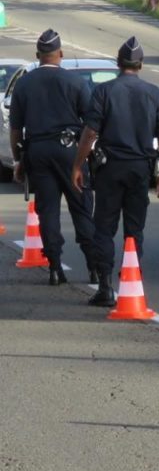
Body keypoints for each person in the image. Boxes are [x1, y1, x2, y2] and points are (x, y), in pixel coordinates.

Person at [71, 37, 159, 307]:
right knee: (134, 230)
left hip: (110, 169)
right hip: (141, 169)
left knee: (104, 227)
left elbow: (90, 133)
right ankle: (131, 283)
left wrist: (78, 165)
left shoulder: (104, 92)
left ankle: (105, 287)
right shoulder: (154, 93)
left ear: (118, 63)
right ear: (141, 64)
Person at [8, 29, 97, 286]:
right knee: (81, 208)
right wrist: (86, 157)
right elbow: (91, 124)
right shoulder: (75, 82)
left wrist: (18, 160)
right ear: (61, 54)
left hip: (38, 152)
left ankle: (55, 268)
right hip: (70, 150)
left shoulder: (25, 83)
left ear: (38, 55)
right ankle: (95, 268)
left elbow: (16, 129)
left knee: (48, 211)